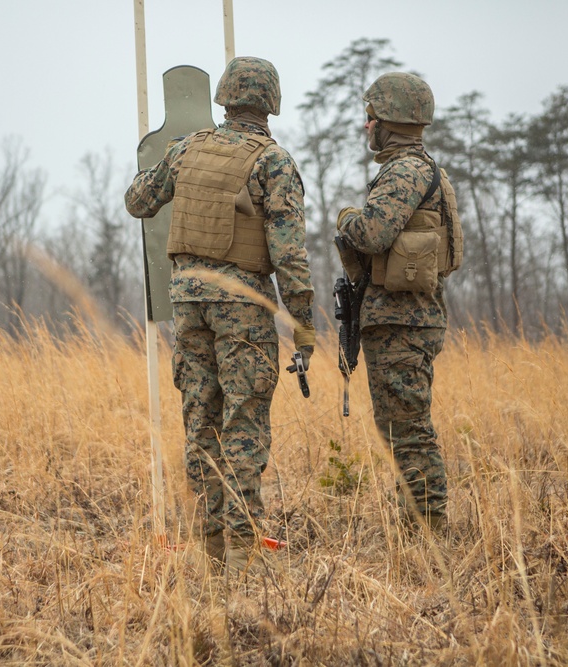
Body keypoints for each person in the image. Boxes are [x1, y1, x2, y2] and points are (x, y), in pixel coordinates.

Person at [124, 57, 315, 570]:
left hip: (188, 304)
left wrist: (166, 160)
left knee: (200, 420)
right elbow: (289, 254)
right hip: (241, 304)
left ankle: (209, 550)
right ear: (270, 103)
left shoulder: (186, 149)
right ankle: (243, 553)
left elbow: (138, 201)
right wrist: (303, 326)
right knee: (244, 423)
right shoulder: (274, 162)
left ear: (226, 98)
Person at [335, 72, 463, 534]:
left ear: (389, 122)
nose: (366, 127)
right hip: (409, 320)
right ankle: (418, 527)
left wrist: (347, 217)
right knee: (401, 429)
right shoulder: (425, 169)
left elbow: (372, 233)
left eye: (371, 118)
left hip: (402, 323)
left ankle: (428, 533)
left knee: (408, 432)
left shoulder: (405, 171)